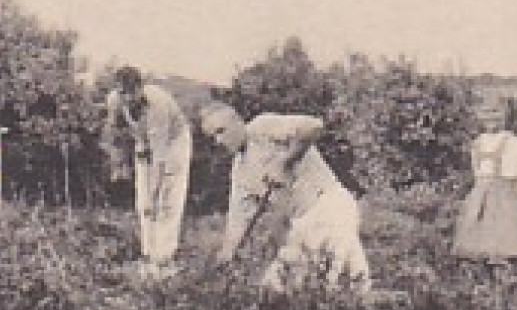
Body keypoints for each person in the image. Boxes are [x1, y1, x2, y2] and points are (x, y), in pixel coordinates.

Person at [199, 101, 371, 292]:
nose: (218, 140)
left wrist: (284, 162)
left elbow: (313, 126)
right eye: (212, 137)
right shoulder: (240, 170)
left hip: (330, 206)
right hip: (300, 223)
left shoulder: (261, 127)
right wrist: (227, 254)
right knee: (277, 286)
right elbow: (239, 220)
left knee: (346, 277)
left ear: (237, 122)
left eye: (221, 131)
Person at [104, 67, 192, 274]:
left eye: (131, 93)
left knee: (166, 202)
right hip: (143, 139)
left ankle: (164, 258)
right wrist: (118, 163)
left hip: (173, 144)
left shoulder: (157, 105)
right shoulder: (114, 100)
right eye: (122, 93)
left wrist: (153, 195)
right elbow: (114, 133)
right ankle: (148, 253)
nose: (127, 99)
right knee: (143, 202)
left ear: (140, 89)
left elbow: (159, 159)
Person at [453, 99, 517, 262]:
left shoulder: (513, 142)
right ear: (481, 120)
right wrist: (480, 187)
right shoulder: (477, 143)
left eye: (495, 118)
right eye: (486, 118)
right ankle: (483, 271)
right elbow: (476, 170)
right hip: (481, 194)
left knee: (505, 237)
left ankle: (505, 271)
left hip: (505, 193)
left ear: (502, 119)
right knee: (479, 234)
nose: (491, 123)